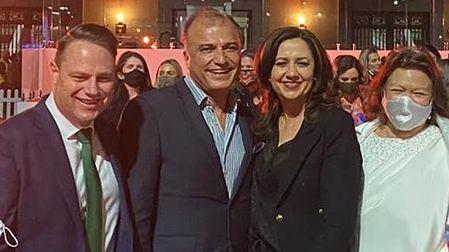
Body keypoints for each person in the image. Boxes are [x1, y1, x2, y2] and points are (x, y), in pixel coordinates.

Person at [119, 7, 253, 252]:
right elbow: (136, 210)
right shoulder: (151, 111)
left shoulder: (247, 114)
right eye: (207, 48)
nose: (221, 59)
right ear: (186, 55)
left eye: (230, 48)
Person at [0, 24, 135, 252]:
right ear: (55, 71)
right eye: (80, 77)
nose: (92, 90)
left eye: (103, 78)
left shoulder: (110, 135)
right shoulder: (12, 142)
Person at [249, 27, 363, 251]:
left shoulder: (334, 124)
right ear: (268, 73)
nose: (291, 73)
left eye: (302, 63)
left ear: (316, 72)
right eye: (281, 63)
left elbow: (339, 221)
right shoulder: (261, 125)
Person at [357, 48, 449, 252]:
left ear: (433, 98)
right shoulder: (359, 139)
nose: (406, 100)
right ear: (382, 92)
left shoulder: (443, 143)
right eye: (397, 91)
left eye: (419, 93)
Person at [101, 51, 152, 128]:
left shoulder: (153, 98)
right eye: (130, 67)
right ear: (120, 75)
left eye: (139, 67)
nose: (135, 70)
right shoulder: (110, 101)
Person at [332, 55, 367, 125]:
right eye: (344, 79)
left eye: (354, 79)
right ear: (336, 78)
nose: (349, 82)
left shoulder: (366, 98)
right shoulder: (330, 101)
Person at [235, 48, 269, 115]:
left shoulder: (267, 94)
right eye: (241, 67)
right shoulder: (235, 95)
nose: (245, 71)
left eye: (249, 67)